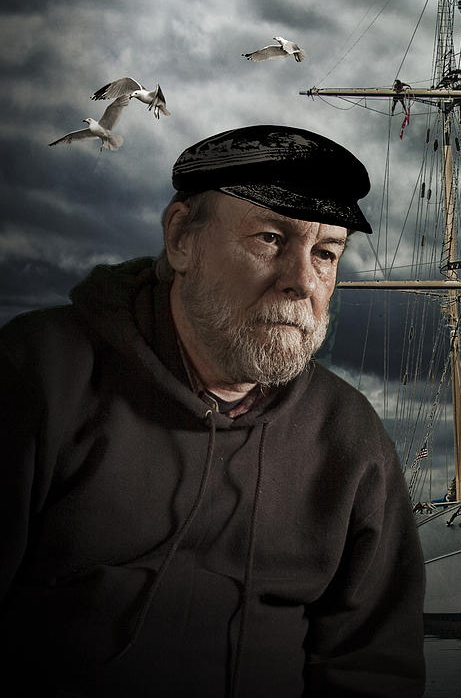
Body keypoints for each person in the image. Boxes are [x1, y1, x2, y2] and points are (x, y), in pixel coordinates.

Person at [0, 125, 426, 697]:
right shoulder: (39, 376)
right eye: (271, 239)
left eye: (325, 253)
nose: (301, 282)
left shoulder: (351, 438)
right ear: (182, 240)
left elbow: (373, 670)